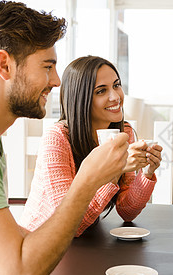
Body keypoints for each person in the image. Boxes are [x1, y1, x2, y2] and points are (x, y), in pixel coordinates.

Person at [0, 2, 129, 275]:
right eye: (47, 66)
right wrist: (87, 181)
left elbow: (13, 244)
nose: (56, 81)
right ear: (4, 65)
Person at [19, 56, 162, 235]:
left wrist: (147, 173)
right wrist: (114, 169)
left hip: (86, 241)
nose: (115, 96)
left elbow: (127, 212)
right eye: (101, 91)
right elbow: (67, 224)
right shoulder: (57, 138)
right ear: (81, 98)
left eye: (116, 85)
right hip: (39, 240)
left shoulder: (124, 133)